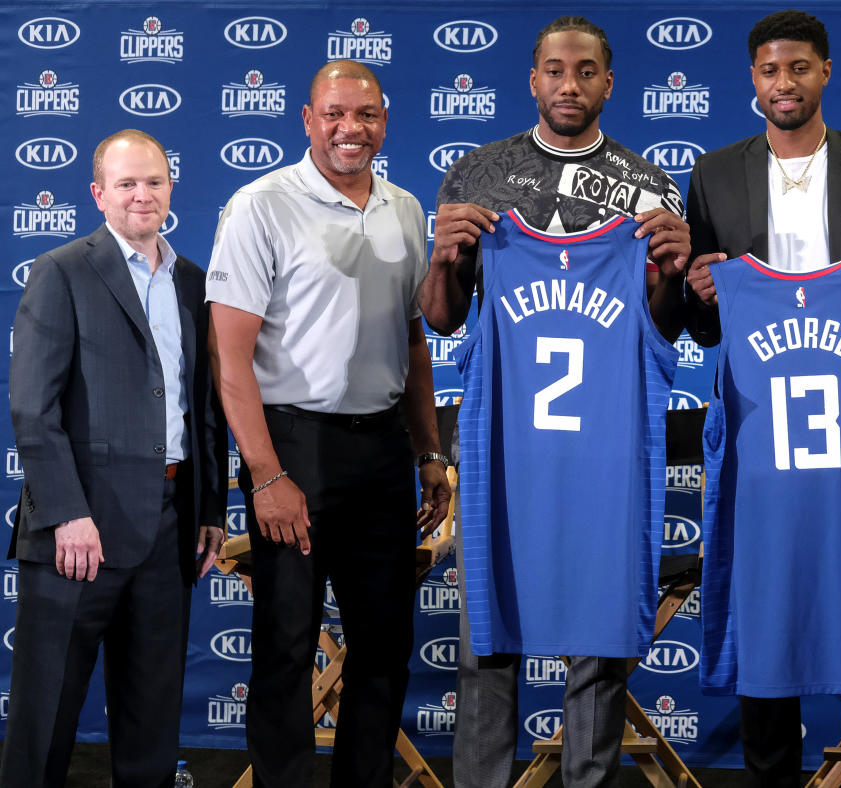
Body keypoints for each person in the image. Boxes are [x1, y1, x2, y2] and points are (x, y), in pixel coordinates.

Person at [419, 16, 690, 788]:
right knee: (488, 645)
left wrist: (670, 268)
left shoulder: (649, 190)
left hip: (604, 463)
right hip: (506, 459)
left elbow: (661, 332)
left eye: (585, 71)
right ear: (533, 78)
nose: (569, 84)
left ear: (609, 80)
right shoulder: (477, 177)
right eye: (554, 70)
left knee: (598, 651)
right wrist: (444, 257)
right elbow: (441, 319)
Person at [682, 10, 841, 786]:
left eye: (798, 68)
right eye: (769, 70)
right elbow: (703, 326)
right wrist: (700, 293)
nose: (783, 83)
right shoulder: (715, 172)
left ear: (825, 72)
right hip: (758, 426)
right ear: (753, 81)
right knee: (766, 601)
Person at [206, 60, 450, 788]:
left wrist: (429, 451)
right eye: (336, 114)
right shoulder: (260, 205)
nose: (353, 129)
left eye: (367, 115)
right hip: (293, 448)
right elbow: (230, 359)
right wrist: (267, 474)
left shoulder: (406, 207)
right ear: (307, 120)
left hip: (381, 450)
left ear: (385, 120)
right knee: (286, 644)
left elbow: (413, 341)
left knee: (383, 644)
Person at [1, 129, 226, 788]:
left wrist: (208, 507)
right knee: (46, 719)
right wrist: (68, 514)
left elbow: (202, 406)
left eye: (153, 181)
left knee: (151, 720)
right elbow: (32, 409)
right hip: (80, 530)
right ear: (99, 194)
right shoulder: (61, 271)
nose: (141, 195)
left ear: (170, 189)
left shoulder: (191, 280)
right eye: (126, 183)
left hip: (169, 523)